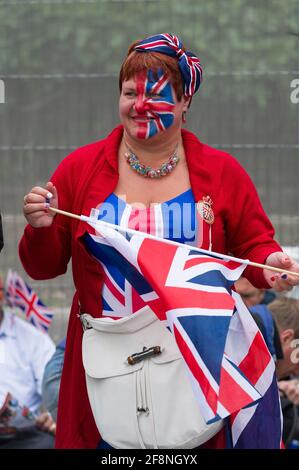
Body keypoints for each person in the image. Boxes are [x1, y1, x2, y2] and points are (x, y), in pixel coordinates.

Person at [19, 33, 299, 449]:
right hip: (105, 363)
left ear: (186, 102)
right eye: (129, 92)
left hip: (196, 358)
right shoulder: (79, 169)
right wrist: (39, 227)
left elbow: (255, 244)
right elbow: (43, 266)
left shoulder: (223, 173)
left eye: (156, 94)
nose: (139, 105)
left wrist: (271, 263)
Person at [0, 277, 56, 448]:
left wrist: (53, 416)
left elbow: (53, 388)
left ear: (1, 296)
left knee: (48, 443)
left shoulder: (34, 339)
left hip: (23, 436)